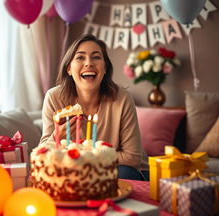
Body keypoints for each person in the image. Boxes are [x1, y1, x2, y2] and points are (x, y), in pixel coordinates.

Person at [40, 34, 149, 180]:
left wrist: (85, 158)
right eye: (80, 57)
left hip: (121, 171)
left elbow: (132, 157)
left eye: (96, 57)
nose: (88, 63)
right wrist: (56, 136)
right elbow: (42, 154)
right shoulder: (54, 98)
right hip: (77, 174)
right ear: (69, 69)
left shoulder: (122, 99)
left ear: (105, 69)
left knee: (123, 172)